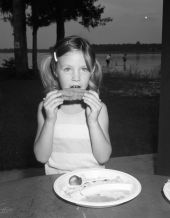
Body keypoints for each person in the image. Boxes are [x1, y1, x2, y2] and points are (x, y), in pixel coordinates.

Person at [34, 35, 112, 175]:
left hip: (93, 181)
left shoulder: (99, 109)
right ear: (55, 70)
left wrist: (93, 121)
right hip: (55, 183)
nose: (76, 77)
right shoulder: (45, 108)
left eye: (83, 69)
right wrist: (50, 121)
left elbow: (103, 157)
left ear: (92, 70)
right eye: (67, 69)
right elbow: (41, 157)